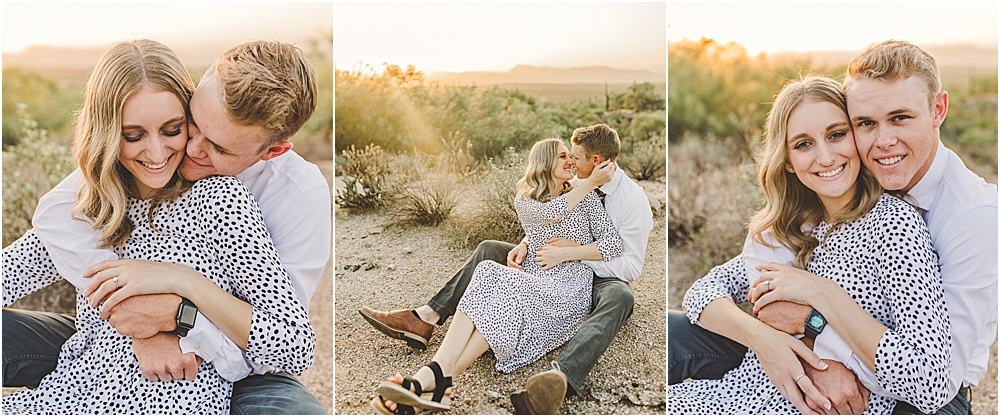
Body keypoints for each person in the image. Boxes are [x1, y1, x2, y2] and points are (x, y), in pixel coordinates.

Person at [2, 40, 332, 414]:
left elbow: (286, 343)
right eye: (192, 125)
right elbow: (23, 256)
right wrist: (138, 327)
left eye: (174, 130)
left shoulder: (229, 199)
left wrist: (180, 313)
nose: (182, 151)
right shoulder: (100, 202)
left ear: (270, 151)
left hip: (210, 383)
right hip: (74, 394)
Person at [669, 40, 997, 415]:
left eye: (900, 118)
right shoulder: (806, 220)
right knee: (674, 336)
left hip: (907, 397)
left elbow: (933, 379)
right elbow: (706, 290)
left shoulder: (952, 218)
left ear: (938, 110)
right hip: (771, 379)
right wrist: (766, 341)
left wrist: (816, 313)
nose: (883, 141)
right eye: (865, 124)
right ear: (787, 160)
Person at [360, 124, 654, 414]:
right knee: (491, 261)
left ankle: (555, 375)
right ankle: (436, 365)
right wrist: (528, 241)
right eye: (565, 156)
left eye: (573, 157)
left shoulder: (626, 199)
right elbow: (549, 215)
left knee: (615, 296)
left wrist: (569, 253)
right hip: (542, 269)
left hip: (594, 277)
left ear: (596, 161)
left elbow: (626, 260)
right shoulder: (575, 186)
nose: (571, 163)